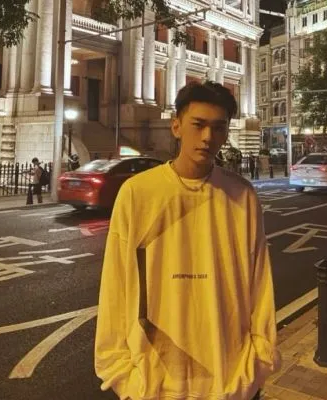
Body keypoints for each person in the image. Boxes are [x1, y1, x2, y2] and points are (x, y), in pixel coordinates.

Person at [95, 81, 280, 400]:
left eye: (218, 128)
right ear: (176, 126)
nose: (208, 137)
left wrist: (256, 368)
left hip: (230, 384)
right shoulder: (138, 194)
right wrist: (122, 377)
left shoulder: (242, 196)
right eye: (198, 124)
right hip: (153, 387)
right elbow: (115, 287)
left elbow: (260, 286)